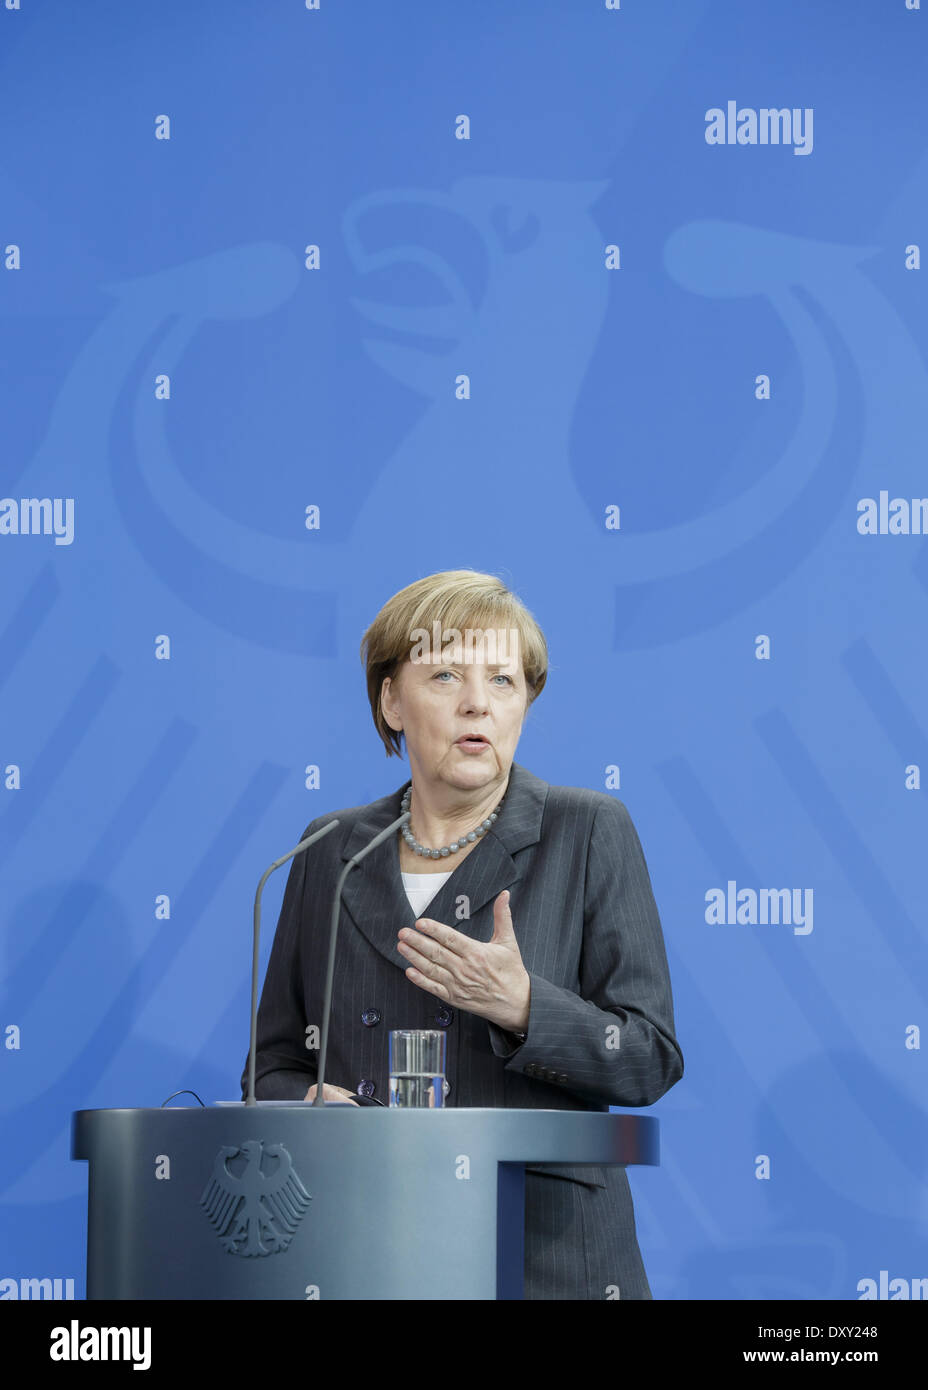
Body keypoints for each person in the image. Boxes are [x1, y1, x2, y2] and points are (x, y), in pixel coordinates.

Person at [242, 568, 683, 1299]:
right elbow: (273, 1063)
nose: (479, 702)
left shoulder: (586, 831)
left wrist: (524, 1007)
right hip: (366, 1245)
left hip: (543, 1256)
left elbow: (649, 1058)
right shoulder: (329, 851)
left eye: (504, 681)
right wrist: (309, 1101)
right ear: (391, 700)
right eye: (446, 675)